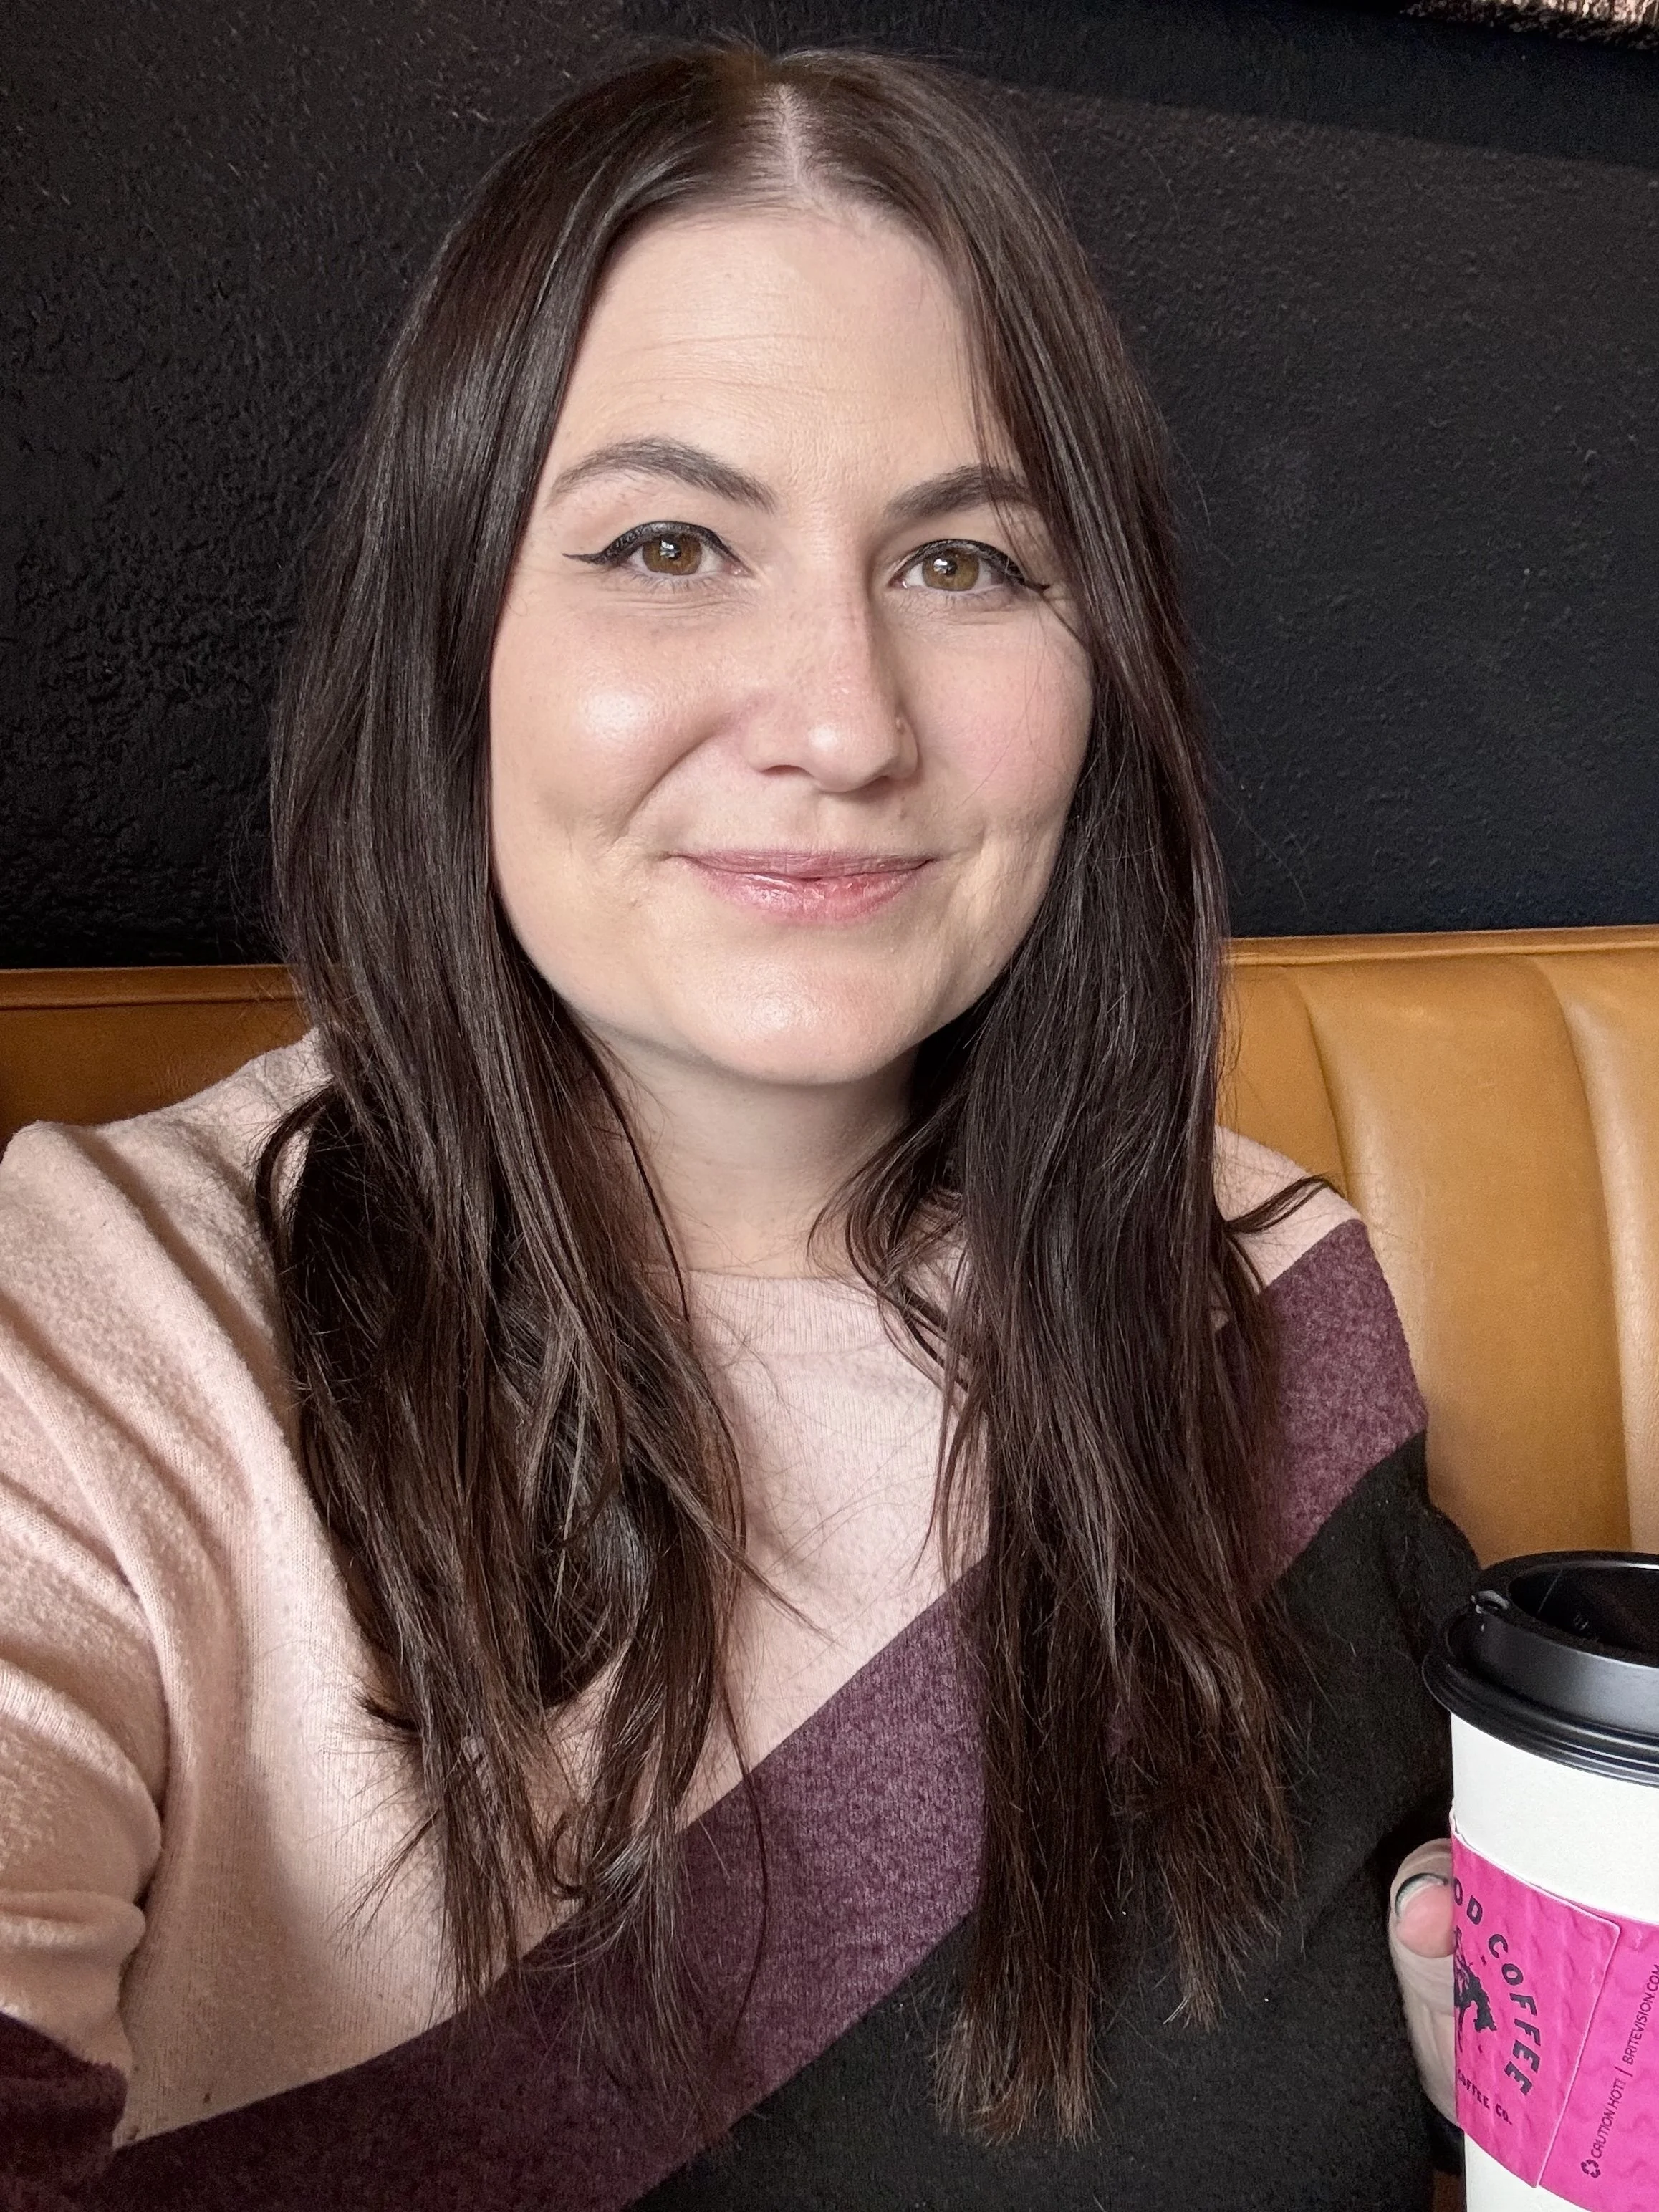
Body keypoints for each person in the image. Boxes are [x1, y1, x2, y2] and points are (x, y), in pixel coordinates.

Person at [0, 43, 1468, 2210]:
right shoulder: (98, 1355)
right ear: (455, 635)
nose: (842, 721)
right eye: (669, 543)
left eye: (964, 563)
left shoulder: (1262, 1284)